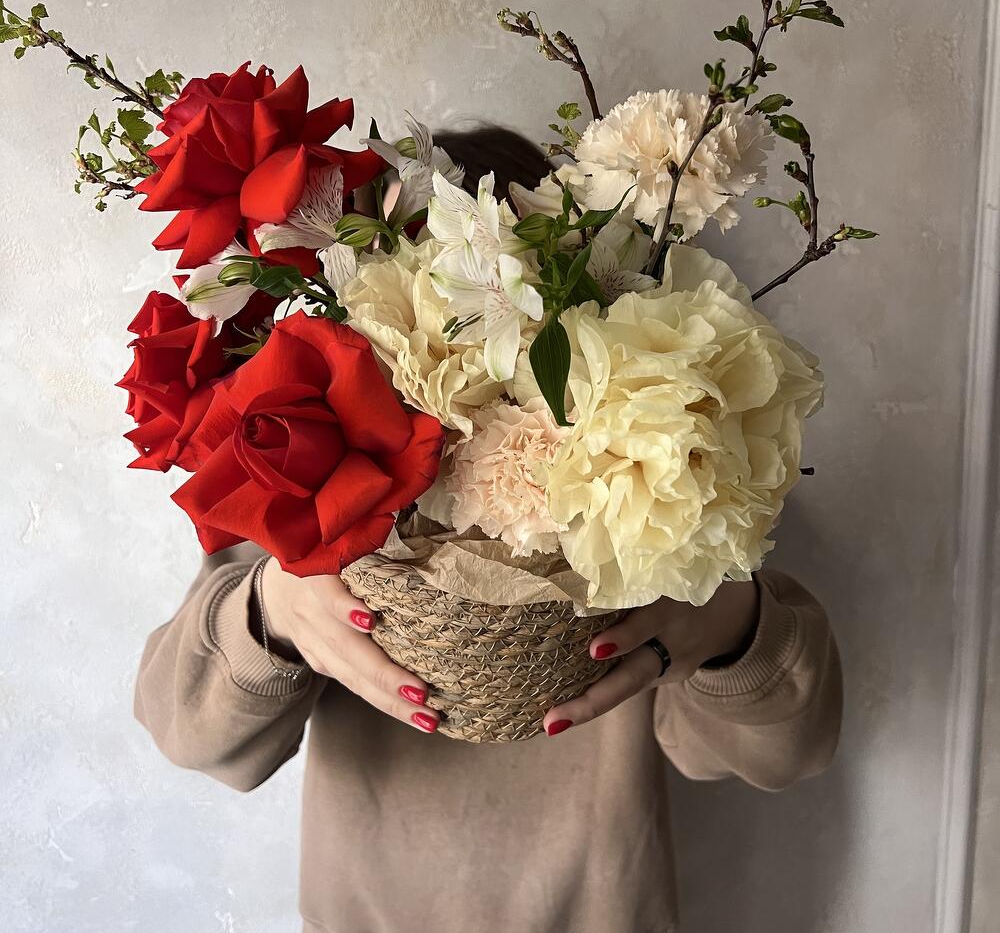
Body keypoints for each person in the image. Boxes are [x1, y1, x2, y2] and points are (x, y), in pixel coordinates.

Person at [134, 126, 843, 933]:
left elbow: (785, 748)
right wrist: (273, 611)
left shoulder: (645, 489)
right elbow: (184, 728)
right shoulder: (310, 472)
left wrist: (729, 625)